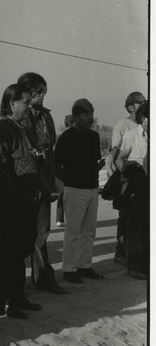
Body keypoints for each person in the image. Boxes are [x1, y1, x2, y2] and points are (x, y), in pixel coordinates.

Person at [0, 84, 41, 320]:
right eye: (26, 102)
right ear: (11, 104)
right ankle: (5, 301)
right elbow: (0, 175)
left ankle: (18, 296)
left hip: (26, 203)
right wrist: (15, 200)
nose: (29, 106)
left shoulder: (21, 129)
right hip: (13, 204)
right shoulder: (0, 132)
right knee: (9, 255)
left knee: (20, 252)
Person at [18, 72, 66, 295]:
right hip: (23, 185)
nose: (42, 97)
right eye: (38, 93)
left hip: (43, 183)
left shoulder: (46, 117)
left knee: (42, 232)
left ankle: (43, 278)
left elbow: (50, 149)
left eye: (44, 92)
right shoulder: (14, 116)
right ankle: (14, 287)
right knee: (21, 235)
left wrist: (53, 179)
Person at [54, 98, 105, 283]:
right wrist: (66, 182)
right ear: (76, 116)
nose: (90, 118)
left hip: (92, 189)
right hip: (74, 189)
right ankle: (69, 269)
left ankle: (84, 266)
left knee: (89, 231)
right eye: (85, 114)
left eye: (91, 113)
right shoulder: (66, 137)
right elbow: (55, 163)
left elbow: (95, 162)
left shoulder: (93, 136)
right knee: (73, 232)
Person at [110, 91, 147, 265]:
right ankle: (121, 252)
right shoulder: (123, 126)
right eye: (140, 102)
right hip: (130, 179)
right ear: (131, 107)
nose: (143, 104)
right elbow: (116, 154)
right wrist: (126, 177)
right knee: (126, 218)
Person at [55, 114, 74, 227]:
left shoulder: (61, 137)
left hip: (62, 169)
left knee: (63, 194)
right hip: (67, 169)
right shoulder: (68, 137)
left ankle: (60, 218)